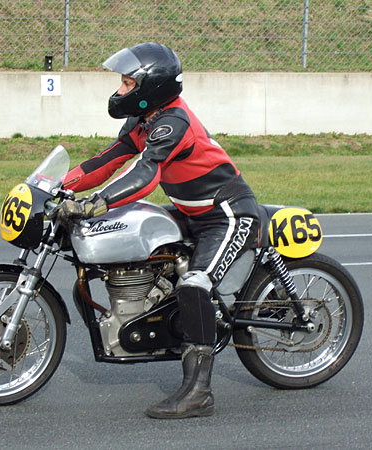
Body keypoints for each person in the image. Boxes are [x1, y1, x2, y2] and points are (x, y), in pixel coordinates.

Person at [58, 42, 260, 419]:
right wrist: (59, 188)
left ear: (150, 87)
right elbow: (105, 161)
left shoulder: (173, 123)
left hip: (226, 214)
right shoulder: (146, 120)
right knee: (138, 239)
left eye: (126, 83)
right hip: (190, 212)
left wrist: (94, 202)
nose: (119, 91)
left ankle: (199, 393)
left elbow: (144, 175)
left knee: (195, 285)